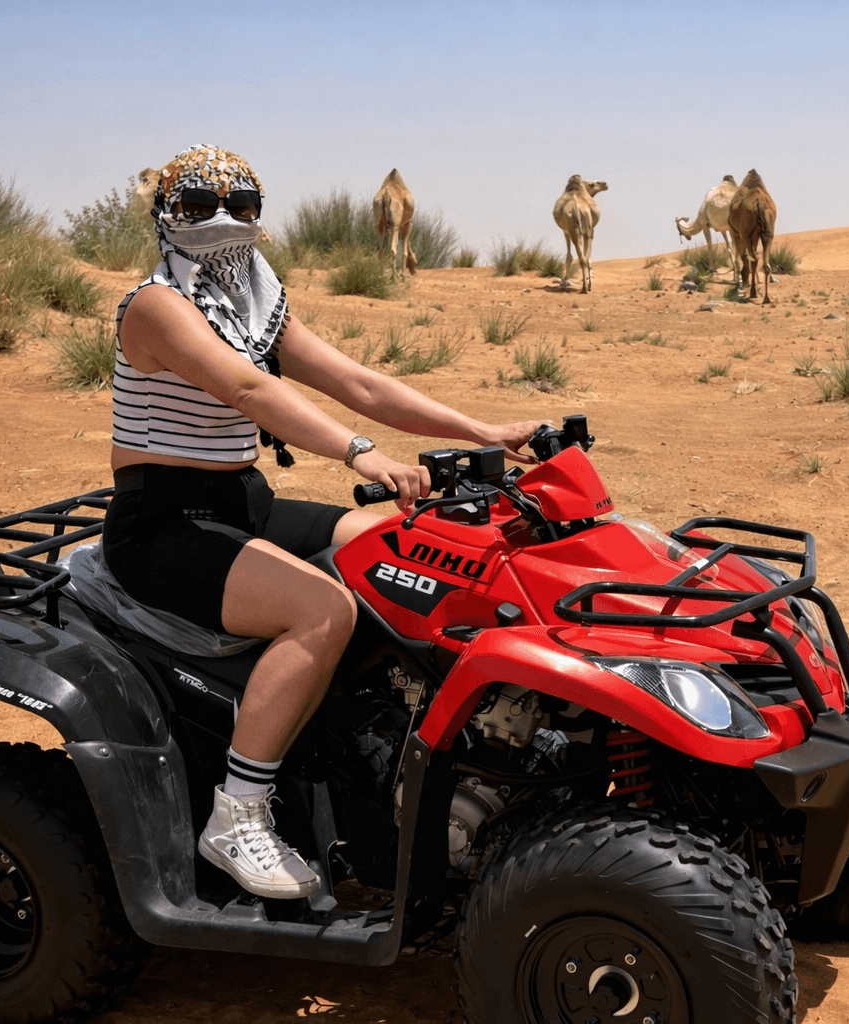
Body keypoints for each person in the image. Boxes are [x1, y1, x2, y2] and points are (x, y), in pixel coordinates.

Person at [103, 144, 544, 898]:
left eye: (240, 207)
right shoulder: (157, 307)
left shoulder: (249, 301)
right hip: (162, 525)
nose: (219, 222)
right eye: (196, 207)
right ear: (165, 217)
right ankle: (237, 815)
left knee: (406, 553)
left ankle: (380, 752)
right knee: (322, 608)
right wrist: (359, 454)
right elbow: (247, 389)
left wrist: (482, 431)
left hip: (245, 505)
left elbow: (356, 381)